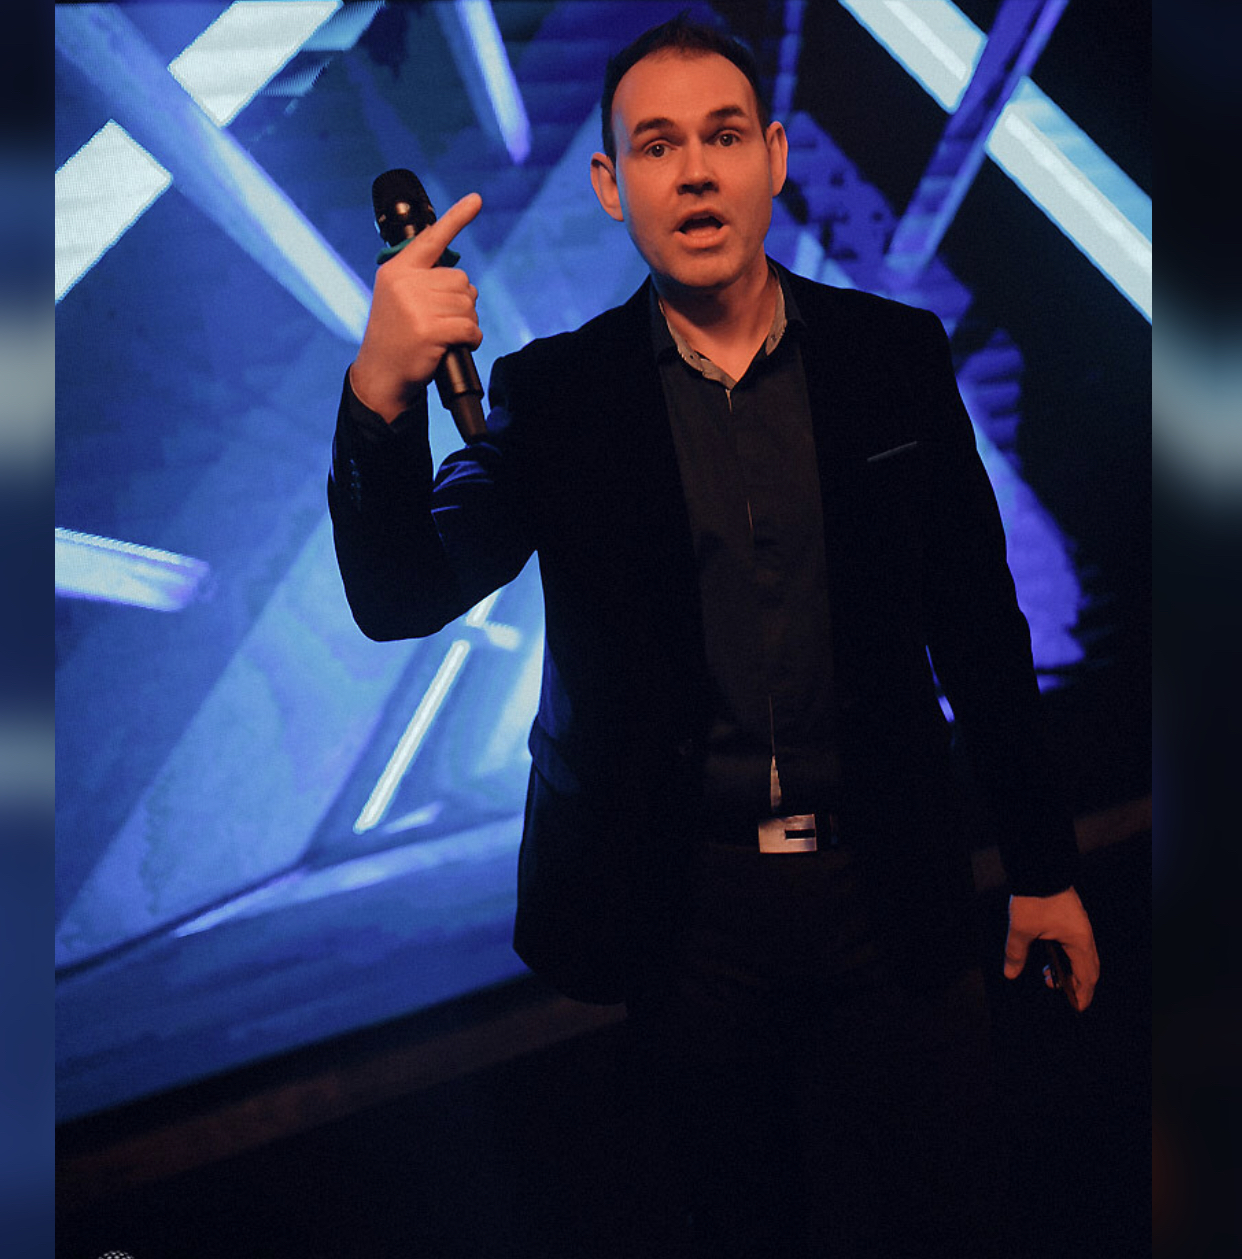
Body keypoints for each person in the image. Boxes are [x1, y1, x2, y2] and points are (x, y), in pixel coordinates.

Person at [329, 16, 1100, 1257]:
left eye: (724, 136)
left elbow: (977, 624)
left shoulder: (893, 357)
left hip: (889, 881)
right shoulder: (556, 396)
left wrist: (1044, 865)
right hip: (686, 912)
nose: (695, 171)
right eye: (657, 145)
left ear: (774, 158)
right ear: (610, 184)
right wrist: (381, 390)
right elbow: (399, 594)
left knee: (948, 1211)